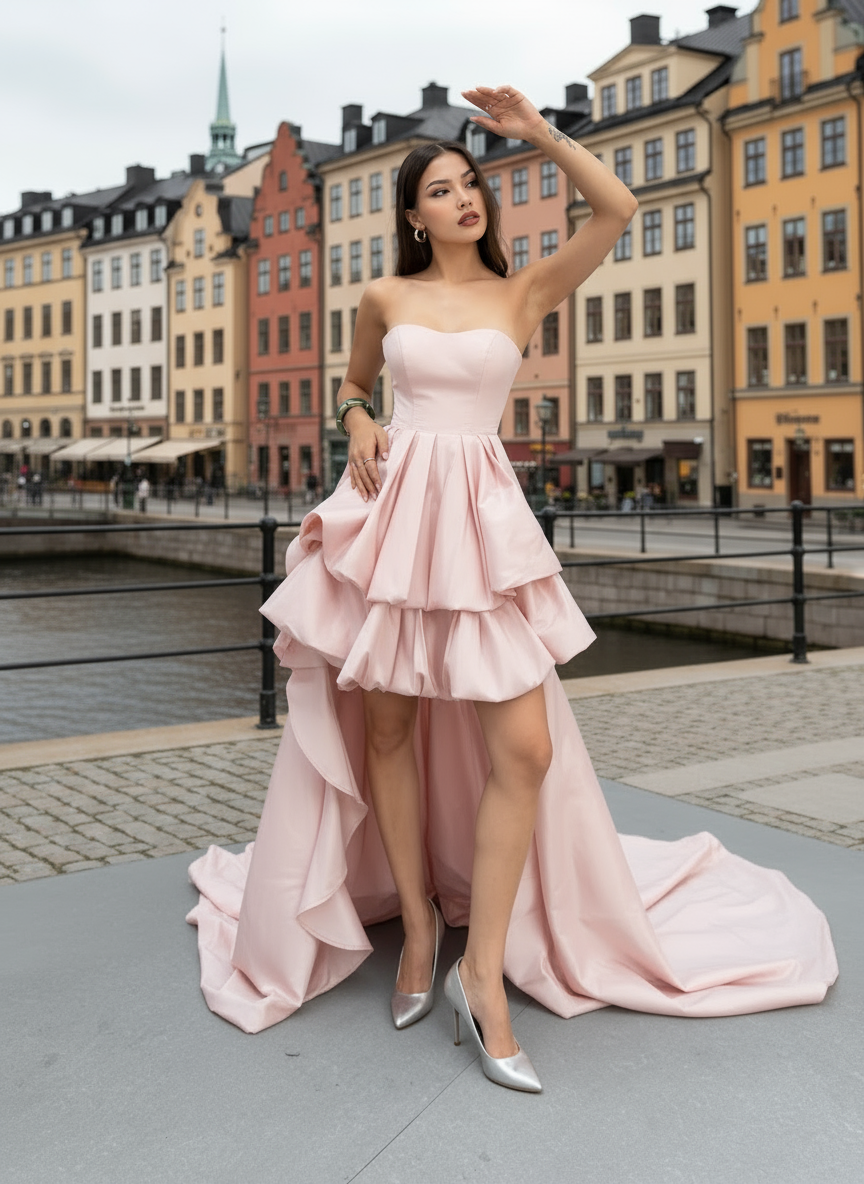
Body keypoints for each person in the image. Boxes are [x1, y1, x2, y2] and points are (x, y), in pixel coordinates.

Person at [187, 85, 837, 1092]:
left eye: (470, 184)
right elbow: (355, 386)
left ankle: (481, 972)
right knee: (389, 730)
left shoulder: (522, 292)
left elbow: (617, 211)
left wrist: (543, 137)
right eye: (441, 190)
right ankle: (418, 939)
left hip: (482, 521)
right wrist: (357, 422)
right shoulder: (383, 299)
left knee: (523, 746)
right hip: (397, 517)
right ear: (413, 215)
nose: (463, 199)